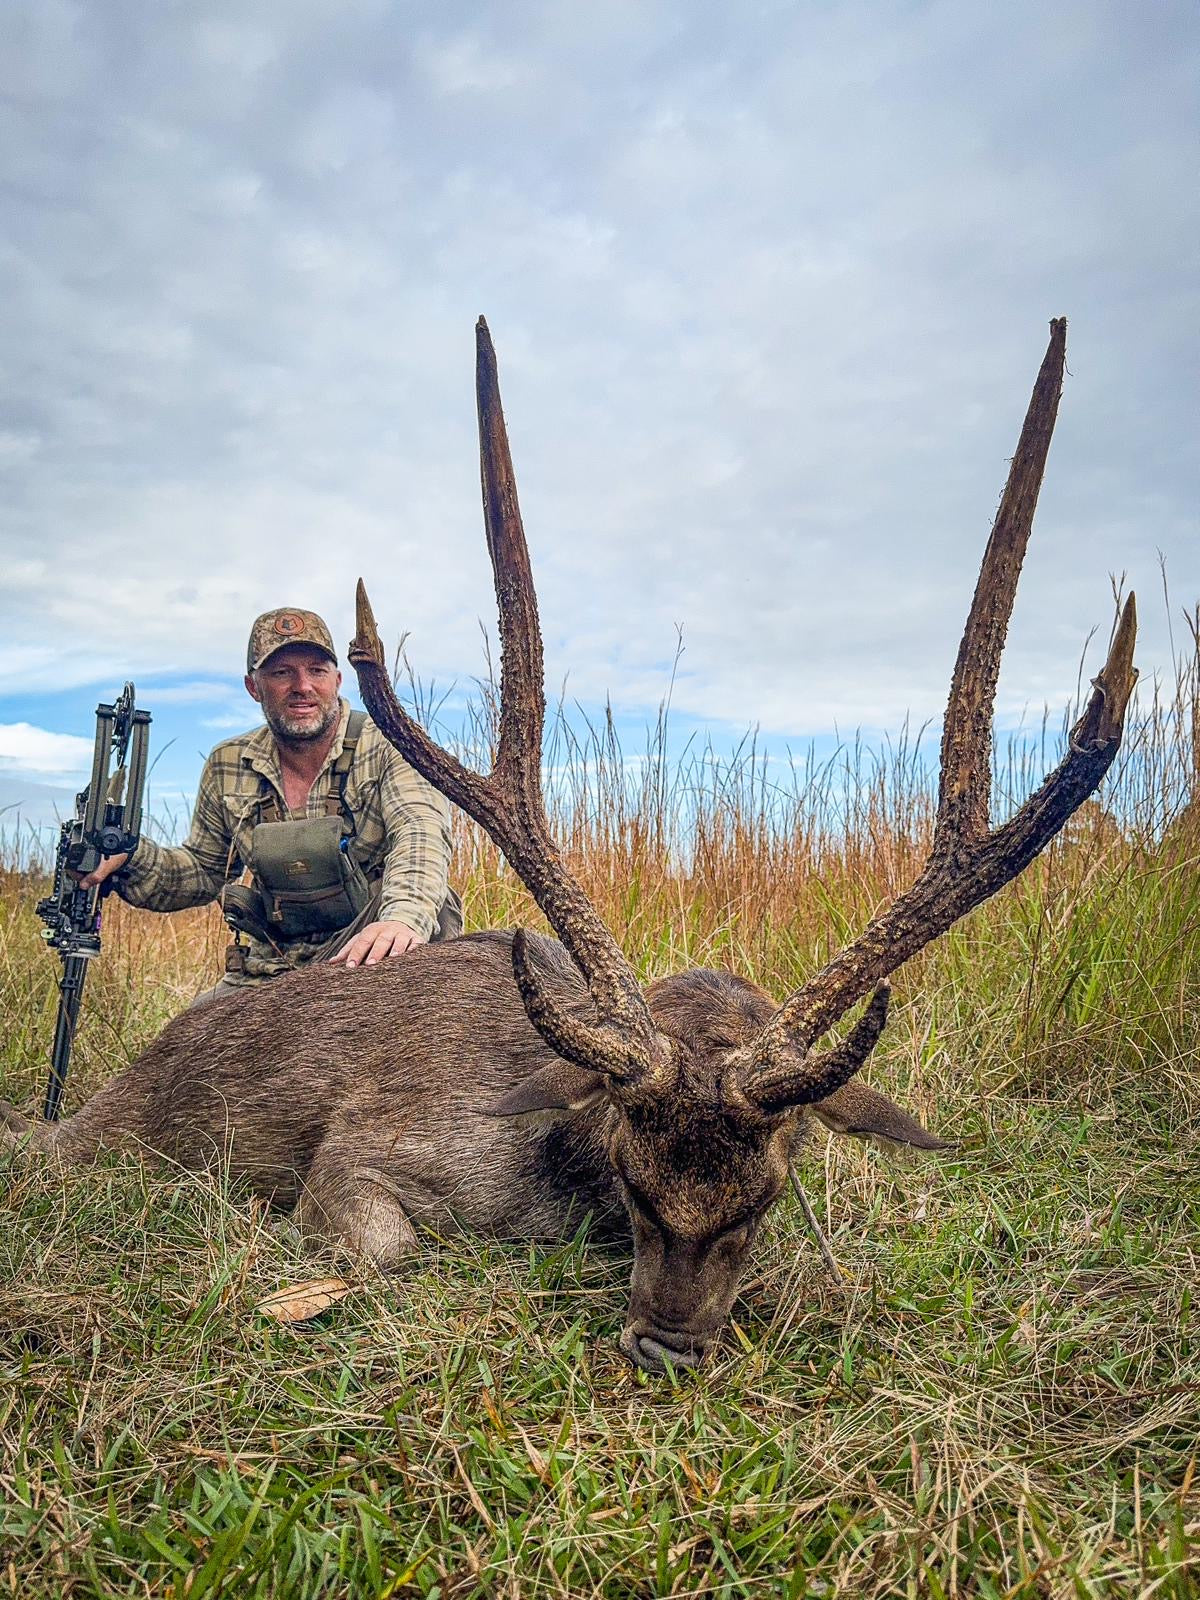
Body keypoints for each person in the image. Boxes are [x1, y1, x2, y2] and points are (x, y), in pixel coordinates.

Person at [81, 607, 461, 1001]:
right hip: (276, 964)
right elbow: (203, 871)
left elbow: (421, 833)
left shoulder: (392, 742)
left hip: (372, 951)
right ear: (253, 687)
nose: (302, 686)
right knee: (191, 1034)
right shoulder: (228, 762)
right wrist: (130, 857)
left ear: (337, 680)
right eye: (282, 673)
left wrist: (402, 920)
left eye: (317, 671)